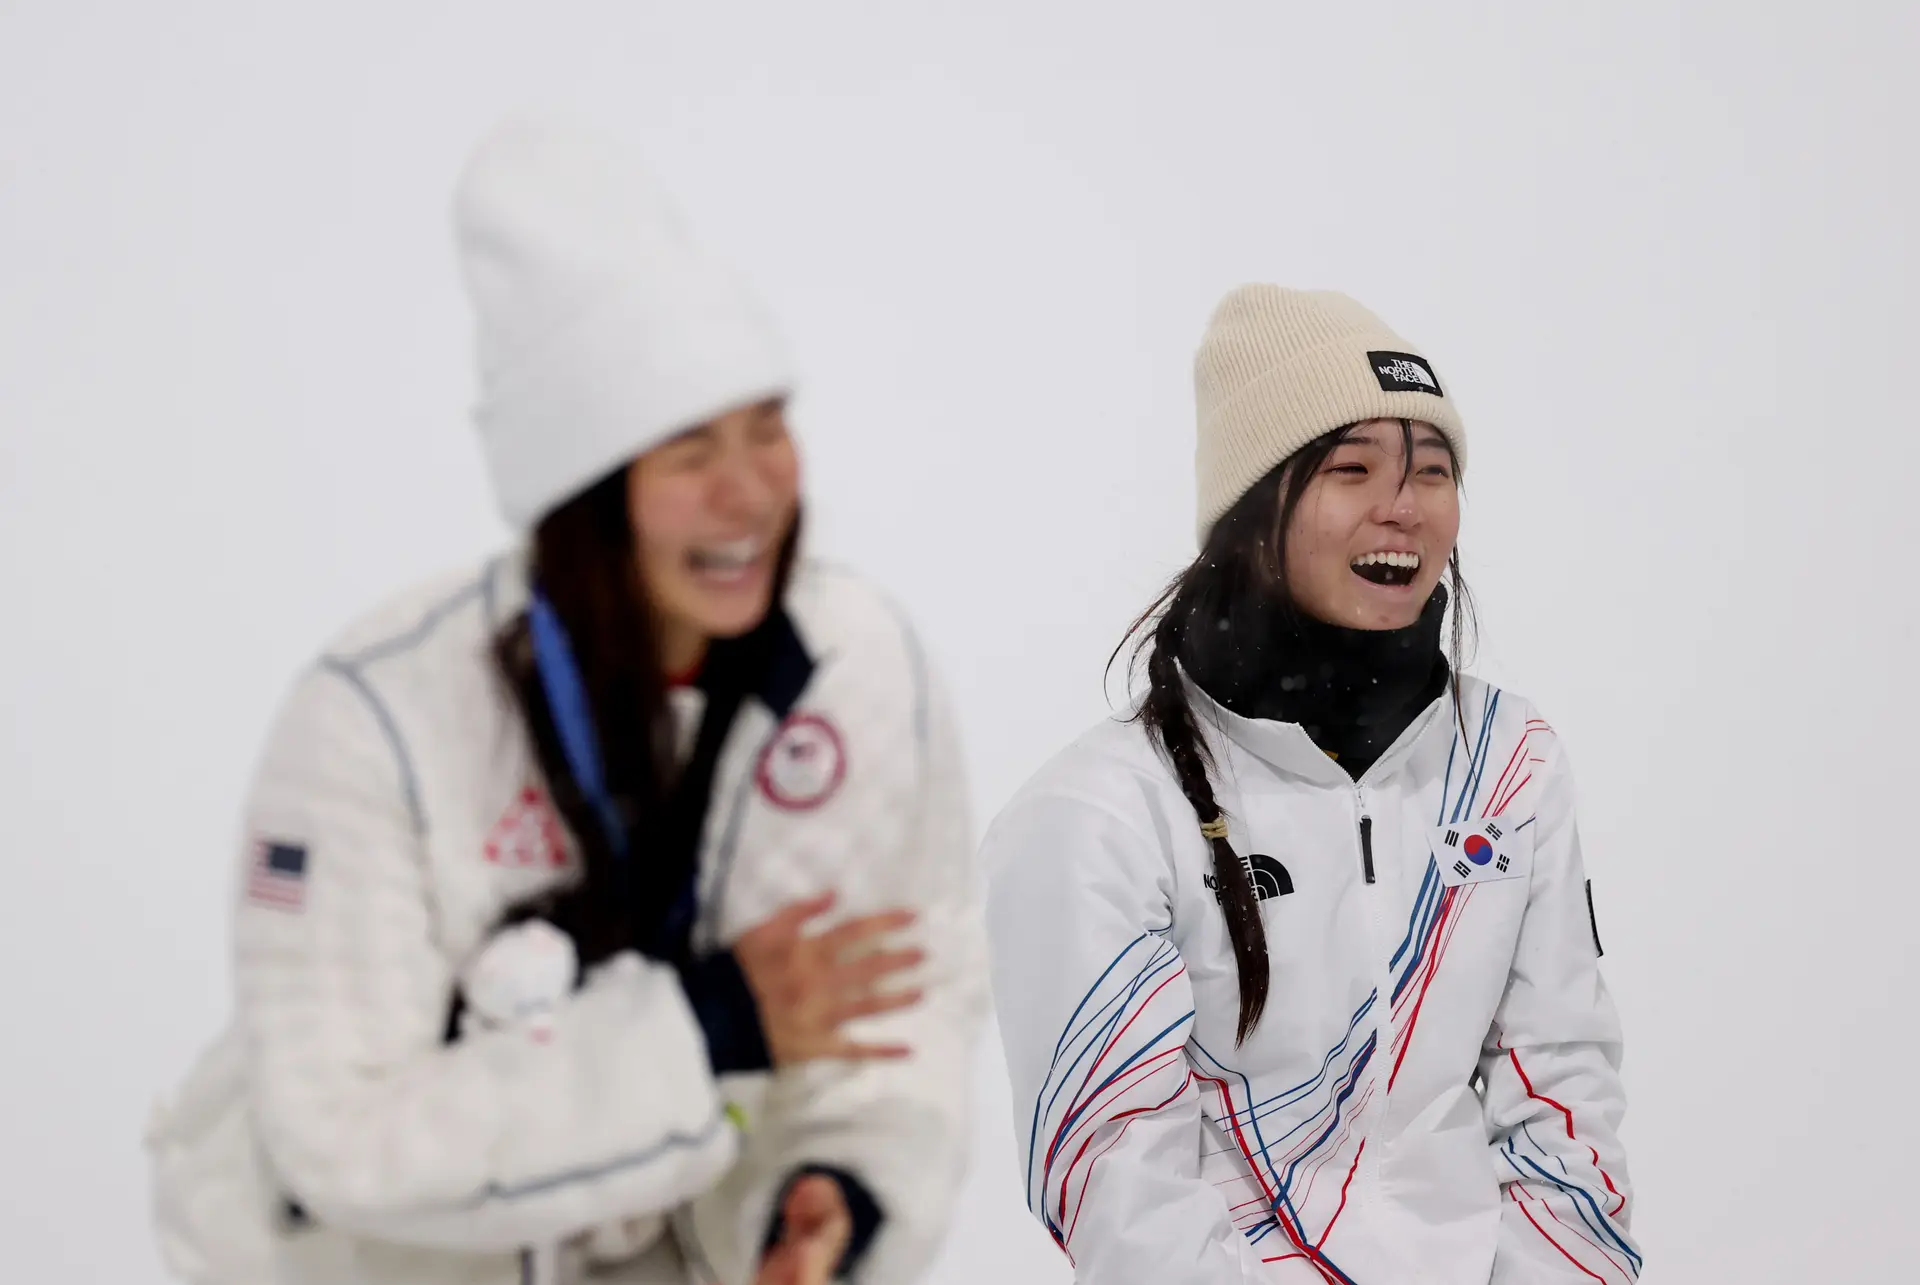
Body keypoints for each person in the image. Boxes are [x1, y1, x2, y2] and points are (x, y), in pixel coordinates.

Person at [147, 117, 984, 1285]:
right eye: (691, 451)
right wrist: (703, 1029)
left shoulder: (856, 677)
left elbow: (897, 1015)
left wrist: (832, 1196)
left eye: (766, 428)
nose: (750, 492)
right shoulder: (377, 718)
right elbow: (341, 1136)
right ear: (588, 494)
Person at [982, 287, 1639, 1284]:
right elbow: (1119, 1189)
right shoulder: (1099, 814)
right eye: (1352, 469)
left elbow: (1565, 1092)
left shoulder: (1511, 763)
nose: (1404, 505)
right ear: (1250, 512)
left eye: (1434, 470)